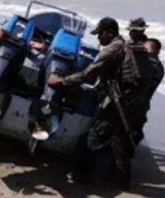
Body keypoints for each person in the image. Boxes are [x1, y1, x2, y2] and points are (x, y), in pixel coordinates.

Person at [47, 17, 141, 188]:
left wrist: (62, 81)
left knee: (94, 137)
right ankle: (119, 179)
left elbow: (88, 74)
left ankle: (83, 177)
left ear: (110, 32)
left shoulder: (113, 48)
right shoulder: (125, 46)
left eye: (100, 34)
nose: (98, 38)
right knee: (117, 140)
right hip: (129, 102)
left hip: (115, 103)